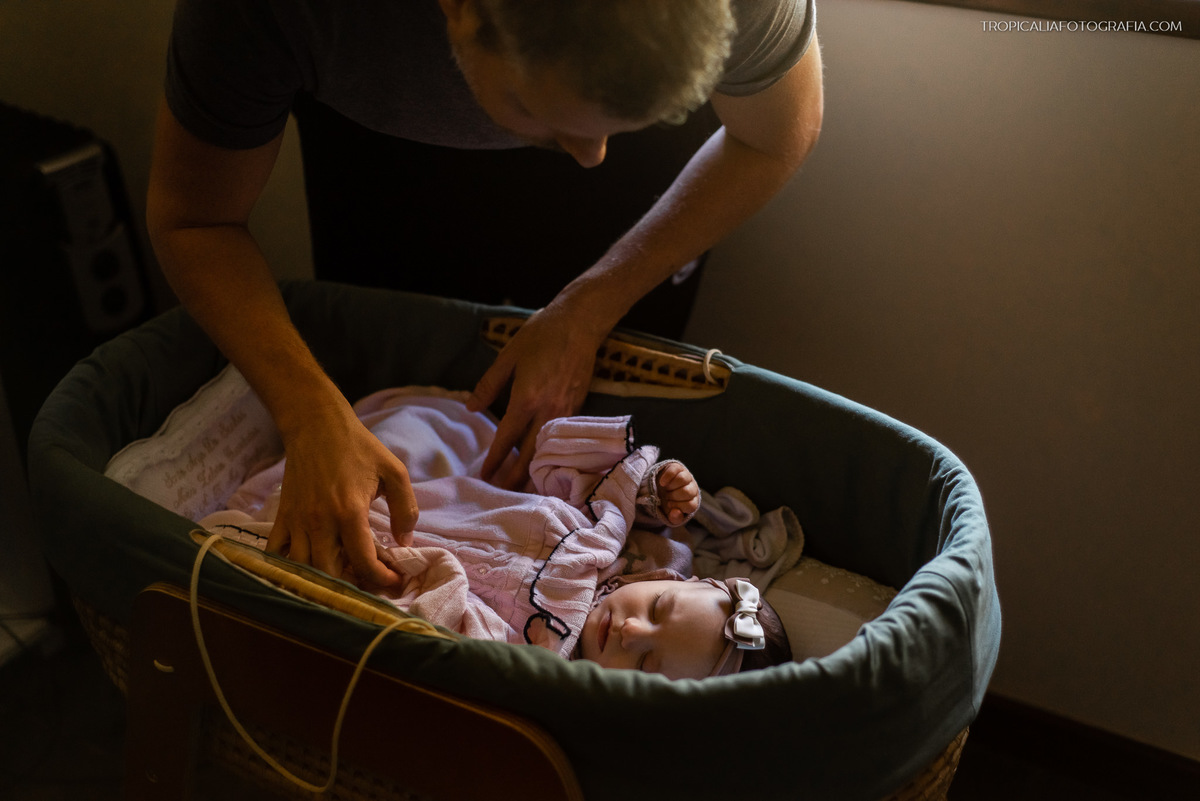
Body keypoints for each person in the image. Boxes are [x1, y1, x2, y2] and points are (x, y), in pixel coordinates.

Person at [148, 0, 824, 594]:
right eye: (537, 109)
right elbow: (195, 217)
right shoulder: (280, 12)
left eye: (620, 123)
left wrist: (593, 304)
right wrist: (308, 413)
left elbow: (777, 131)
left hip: (644, 217)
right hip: (386, 176)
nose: (590, 155)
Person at [200, 389, 790, 680]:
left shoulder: (542, 662)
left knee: (289, 563)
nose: (630, 631)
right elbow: (554, 459)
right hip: (420, 497)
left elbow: (447, 640)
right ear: (664, 578)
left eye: (645, 663)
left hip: (394, 561)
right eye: (657, 609)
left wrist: (433, 595)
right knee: (421, 435)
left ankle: (260, 526)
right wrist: (651, 490)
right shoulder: (606, 540)